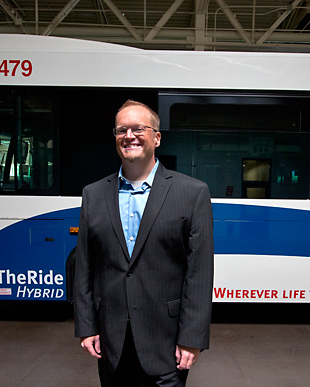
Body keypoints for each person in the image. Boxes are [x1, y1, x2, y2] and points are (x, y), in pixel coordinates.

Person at [74, 100, 214, 386]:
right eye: (121, 129)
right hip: (111, 343)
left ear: (157, 137)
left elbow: (199, 274)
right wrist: (86, 326)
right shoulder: (93, 194)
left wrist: (192, 338)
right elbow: (85, 266)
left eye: (139, 128)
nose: (129, 135)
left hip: (167, 345)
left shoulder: (192, 193)